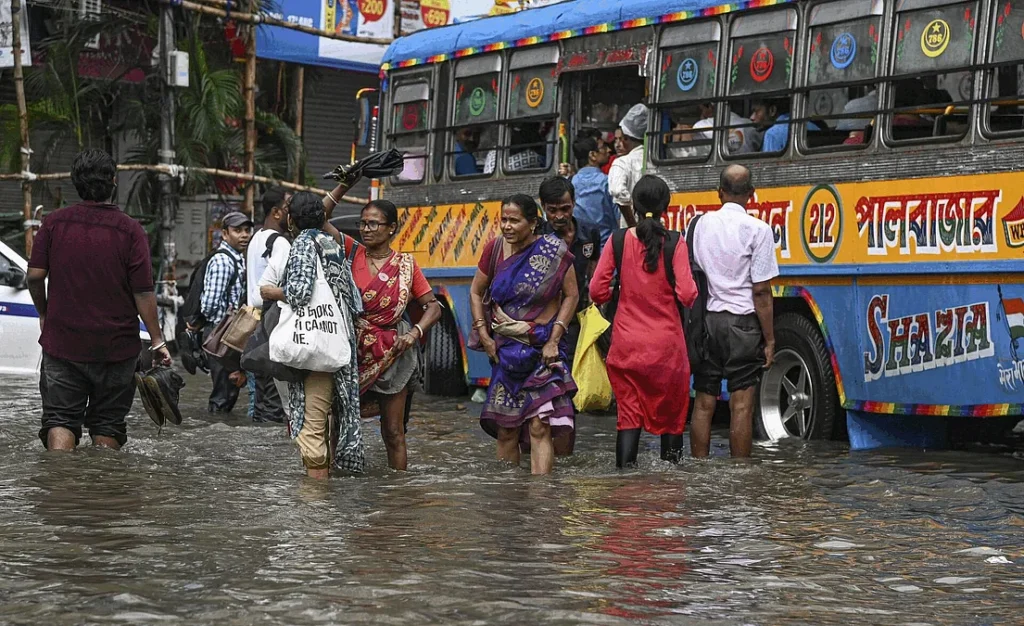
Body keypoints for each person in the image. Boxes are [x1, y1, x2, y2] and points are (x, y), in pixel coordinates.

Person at [26, 149, 172, 451]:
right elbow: (143, 292)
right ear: (113, 182)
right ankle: (104, 494)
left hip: (63, 344)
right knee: (108, 424)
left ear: (75, 183)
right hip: (117, 349)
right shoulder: (131, 230)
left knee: (61, 419)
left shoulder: (53, 224)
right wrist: (158, 342)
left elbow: (35, 276)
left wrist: (44, 312)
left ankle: (61, 489)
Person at [590, 175, 699, 468]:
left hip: (626, 348)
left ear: (634, 206)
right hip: (667, 350)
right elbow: (688, 294)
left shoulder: (617, 240)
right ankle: (670, 485)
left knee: (628, 416)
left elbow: (597, 290)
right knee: (673, 419)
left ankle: (624, 482)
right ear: (666, 206)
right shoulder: (675, 242)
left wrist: (620, 290)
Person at [470, 194, 579, 475]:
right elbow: (475, 291)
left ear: (532, 223)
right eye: (503, 219)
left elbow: (571, 295)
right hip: (505, 351)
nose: (506, 226)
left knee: (539, 424)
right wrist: (484, 335)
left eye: (514, 220)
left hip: (543, 349)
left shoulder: (553, 252)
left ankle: (541, 501)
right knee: (506, 428)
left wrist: (555, 338)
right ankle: (509, 501)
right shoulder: (494, 250)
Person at [689, 165, 779, 458]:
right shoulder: (759, 230)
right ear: (751, 195)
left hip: (708, 323)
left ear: (719, 193)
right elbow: (761, 292)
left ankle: (698, 470)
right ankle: (740, 478)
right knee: (741, 405)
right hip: (743, 325)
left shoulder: (698, 224)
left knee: (703, 402)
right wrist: (770, 340)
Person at [272, 192, 364, 478]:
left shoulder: (301, 244)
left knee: (312, 427)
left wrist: (271, 291)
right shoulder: (332, 244)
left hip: (313, 345)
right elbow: (354, 299)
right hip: (337, 341)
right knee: (325, 418)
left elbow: (298, 294)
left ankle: (315, 505)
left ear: (291, 219)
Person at [350, 200, 442, 471]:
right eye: (363, 223)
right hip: (353, 353)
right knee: (338, 425)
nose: (366, 229)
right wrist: (346, 183)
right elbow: (321, 218)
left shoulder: (405, 265)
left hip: (394, 352)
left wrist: (414, 333)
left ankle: (398, 494)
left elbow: (433, 307)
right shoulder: (351, 253)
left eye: (373, 224)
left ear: (392, 228)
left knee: (393, 431)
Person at [538, 176, 601, 457]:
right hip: (541, 326)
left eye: (565, 209)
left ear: (574, 204)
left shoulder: (589, 233)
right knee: (539, 394)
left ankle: (563, 459)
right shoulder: (535, 236)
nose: (559, 216)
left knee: (568, 391)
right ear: (543, 208)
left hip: (576, 325)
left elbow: (595, 274)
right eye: (553, 210)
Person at [245, 187, 290, 423]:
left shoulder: (256, 238)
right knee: (274, 396)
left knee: (260, 395)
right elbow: (284, 287)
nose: (291, 213)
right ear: (276, 212)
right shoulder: (280, 242)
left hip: (255, 321)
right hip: (273, 321)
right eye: (287, 208)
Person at [199, 211, 252, 413]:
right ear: (224, 234)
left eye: (247, 230)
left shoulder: (237, 259)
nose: (244, 235)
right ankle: (215, 424)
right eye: (237, 231)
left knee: (229, 390)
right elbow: (209, 305)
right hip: (221, 334)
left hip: (228, 335)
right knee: (223, 393)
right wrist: (223, 323)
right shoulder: (223, 261)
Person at [571, 131, 617, 246]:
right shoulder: (607, 182)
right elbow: (619, 219)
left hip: (581, 252)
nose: (609, 150)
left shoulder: (570, 183)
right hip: (606, 251)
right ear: (592, 155)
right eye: (604, 147)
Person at [608, 104, 648, 228]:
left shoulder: (622, 163)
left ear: (626, 137)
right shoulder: (654, 159)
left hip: (633, 231)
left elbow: (617, 191)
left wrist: (632, 225)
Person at [753, 99, 819, 153]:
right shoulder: (813, 126)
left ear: (772, 110)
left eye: (756, 111)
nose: (752, 117)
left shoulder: (772, 134)